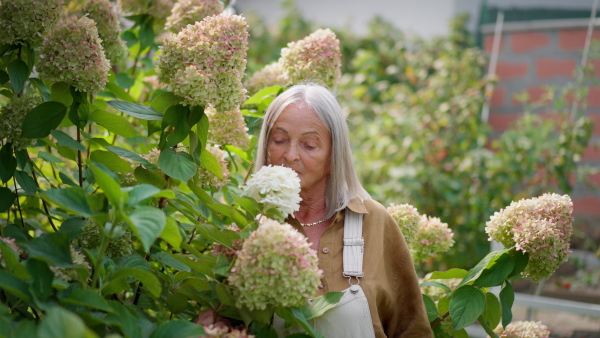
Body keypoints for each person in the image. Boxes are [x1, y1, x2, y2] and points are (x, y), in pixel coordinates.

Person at [255, 82, 433, 337]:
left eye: (309, 145)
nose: (290, 154)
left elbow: (412, 330)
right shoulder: (249, 225)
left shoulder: (374, 223)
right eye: (279, 140)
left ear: (333, 157)